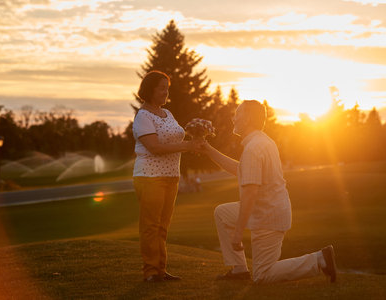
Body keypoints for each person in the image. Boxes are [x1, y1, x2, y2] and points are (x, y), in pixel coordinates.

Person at [200, 100, 337, 284]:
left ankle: (319, 259)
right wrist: (208, 150)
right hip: (266, 210)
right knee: (222, 213)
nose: (234, 119)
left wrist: (238, 232)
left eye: (237, 114)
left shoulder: (254, 148)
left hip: (268, 217)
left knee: (263, 275)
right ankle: (239, 269)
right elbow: (240, 169)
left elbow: (250, 194)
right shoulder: (261, 141)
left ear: (247, 119)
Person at [133, 70, 198, 282]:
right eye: (162, 88)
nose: (166, 92)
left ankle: (161, 270)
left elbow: (177, 137)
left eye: (167, 88)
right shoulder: (143, 116)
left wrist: (197, 136)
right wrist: (188, 146)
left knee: (163, 226)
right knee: (151, 226)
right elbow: (155, 148)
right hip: (150, 177)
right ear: (150, 90)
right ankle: (150, 271)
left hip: (171, 175)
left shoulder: (167, 113)